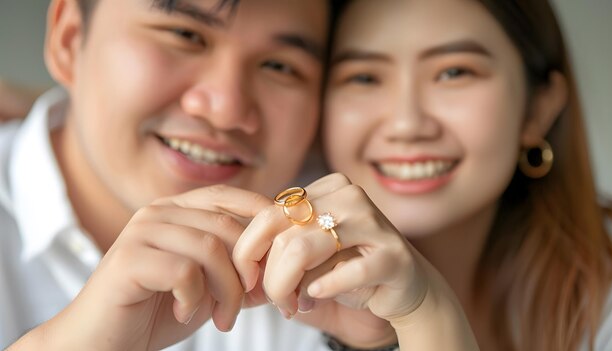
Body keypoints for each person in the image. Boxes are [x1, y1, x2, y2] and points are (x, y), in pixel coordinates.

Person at [2, 0, 396, 350]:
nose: (225, 110)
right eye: (185, 35)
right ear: (69, 39)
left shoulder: (340, 246)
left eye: (279, 66)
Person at [232, 0, 612, 350]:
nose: (406, 124)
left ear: (537, 108)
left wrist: (428, 314)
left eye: (454, 72)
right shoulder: (254, 289)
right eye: (364, 77)